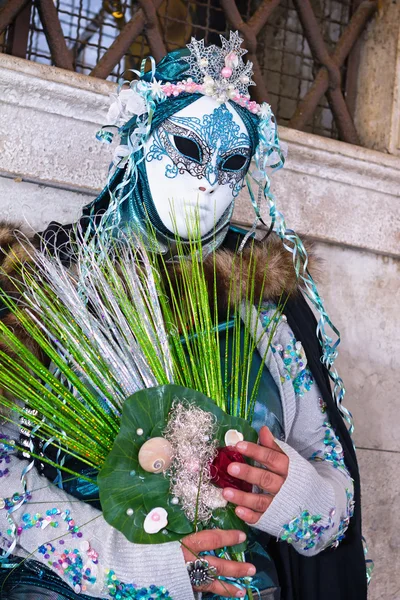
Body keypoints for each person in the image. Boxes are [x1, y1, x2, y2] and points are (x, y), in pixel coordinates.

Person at [0, 32, 367, 600]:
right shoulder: (46, 284)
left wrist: (292, 496)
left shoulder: (265, 299)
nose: (205, 181)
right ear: (140, 137)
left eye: (231, 162)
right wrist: (145, 568)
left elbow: (333, 489)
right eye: (189, 148)